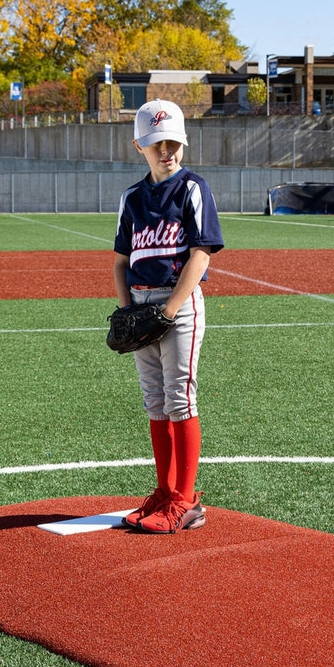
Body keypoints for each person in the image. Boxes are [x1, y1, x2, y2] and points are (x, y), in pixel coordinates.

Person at [113, 99, 225, 534]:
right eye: (158, 143)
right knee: (155, 402)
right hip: (141, 306)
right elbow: (120, 260)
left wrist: (170, 308)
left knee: (180, 398)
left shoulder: (192, 188)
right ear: (140, 145)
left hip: (178, 304)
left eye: (174, 142)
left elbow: (200, 255)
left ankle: (185, 499)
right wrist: (126, 312)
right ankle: (164, 492)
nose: (167, 151)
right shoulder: (132, 198)